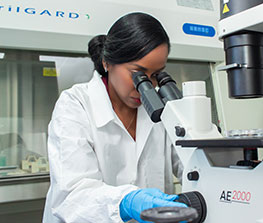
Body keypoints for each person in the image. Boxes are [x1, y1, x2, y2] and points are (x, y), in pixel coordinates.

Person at [43, 12, 186, 223]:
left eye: (156, 75)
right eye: (138, 74)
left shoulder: (162, 110)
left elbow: (191, 163)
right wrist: (126, 202)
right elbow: (73, 196)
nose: (147, 87)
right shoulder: (75, 105)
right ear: (107, 63)